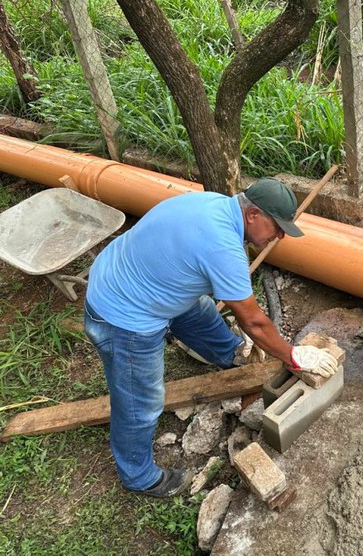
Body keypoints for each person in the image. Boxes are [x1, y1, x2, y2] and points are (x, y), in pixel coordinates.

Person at [83, 178, 339, 497]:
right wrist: (294, 356)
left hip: (125, 272)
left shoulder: (215, 205)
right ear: (254, 215)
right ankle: (138, 476)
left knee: (199, 310)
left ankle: (231, 353)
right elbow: (255, 322)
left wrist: (249, 340)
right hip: (121, 315)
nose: (281, 236)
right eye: (278, 227)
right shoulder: (223, 247)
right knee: (140, 398)